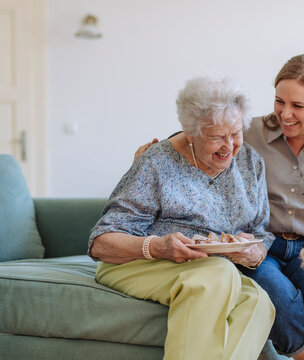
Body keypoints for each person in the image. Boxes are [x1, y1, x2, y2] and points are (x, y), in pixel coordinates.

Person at [136, 54, 304, 360]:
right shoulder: (248, 132)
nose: (285, 114)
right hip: (261, 244)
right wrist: (154, 154)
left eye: (298, 106)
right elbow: (200, 134)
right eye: (280, 101)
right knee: (278, 295)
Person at [88, 77, 275, 360]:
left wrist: (252, 251)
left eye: (235, 133)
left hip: (210, 269)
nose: (229, 146)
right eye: (216, 137)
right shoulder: (157, 162)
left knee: (258, 301)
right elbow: (101, 243)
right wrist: (159, 246)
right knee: (218, 273)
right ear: (191, 133)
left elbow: (261, 231)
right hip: (139, 262)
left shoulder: (250, 162)